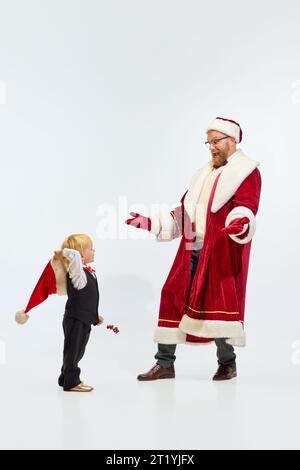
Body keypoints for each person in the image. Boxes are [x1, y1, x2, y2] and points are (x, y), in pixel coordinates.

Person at [126, 117, 261, 381]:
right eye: (209, 142)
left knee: (217, 304)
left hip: (220, 249)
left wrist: (240, 222)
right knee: (171, 296)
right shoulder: (203, 174)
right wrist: (151, 223)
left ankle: (227, 364)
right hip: (191, 248)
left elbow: (247, 205)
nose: (212, 147)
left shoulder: (246, 171)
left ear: (232, 140)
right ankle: (165, 364)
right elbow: (184, 211)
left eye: (216, 141)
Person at [16, 233, 104, 392]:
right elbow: (74, 256)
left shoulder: (88, 272)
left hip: (83, 318)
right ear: (81, 253)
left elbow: (89, 298)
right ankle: (72, 381)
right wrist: (64, 252)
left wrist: (95, 315)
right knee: (73, 350)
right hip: (75, 319)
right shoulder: (77, 272)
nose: (94, 251)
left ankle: (65, 377)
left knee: (78, 350)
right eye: (91, 248)